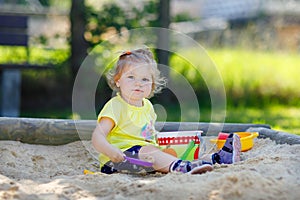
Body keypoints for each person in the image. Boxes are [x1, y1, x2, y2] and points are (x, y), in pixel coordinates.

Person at [91, 47, 241, 174]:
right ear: (118, 80)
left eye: (145, 79)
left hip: (144, 155)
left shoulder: (148, 106)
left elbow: (148, 135)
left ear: (152, 84)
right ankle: (182, 167)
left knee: (176, 150)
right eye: (131, 77)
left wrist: (167, 145)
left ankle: (216, 159)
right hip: (119, 159)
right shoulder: (116, 106)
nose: (138, 83)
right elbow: (97, 136)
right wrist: (111, 151)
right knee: (151, 153)